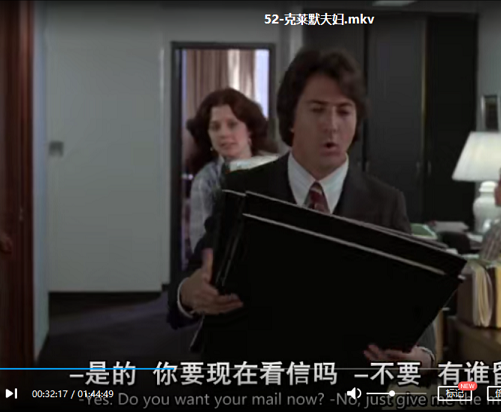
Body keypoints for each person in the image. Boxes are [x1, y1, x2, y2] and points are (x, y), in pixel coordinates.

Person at [168, 47, 436, 399]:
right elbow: (189, 283)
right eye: (317, 109)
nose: (332, 124)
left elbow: (411, 300)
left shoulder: (385, 203)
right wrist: (189, 293)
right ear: (291, 118)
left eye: (344, 111)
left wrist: (423, 357)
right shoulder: (242, 189)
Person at [186, 88, 278, 253]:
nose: (223, 133)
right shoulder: (206, 180)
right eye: (215, 127)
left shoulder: (276, 166)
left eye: (232, 124)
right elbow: (200, 249)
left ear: (249, 129)